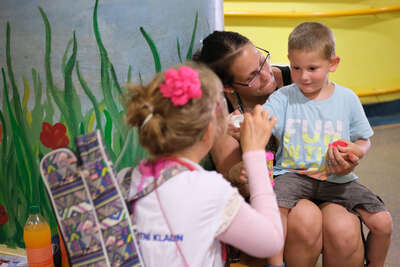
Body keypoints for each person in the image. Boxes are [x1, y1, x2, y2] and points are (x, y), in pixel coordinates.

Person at [194, 30, 367, 267]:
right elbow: (242, 183)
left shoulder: (294, 76)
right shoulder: (223, 113)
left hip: (322, 179)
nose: (267, 74)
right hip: (269, 195)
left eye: (262, 60)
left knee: (344, 228)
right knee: (307, 218)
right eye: (253, 75)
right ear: (228, 88)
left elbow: (340, 130)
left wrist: (346, 158)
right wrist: (242, 166)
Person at [119, 61, 284, 267]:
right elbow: (271, 241)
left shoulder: (124, 179)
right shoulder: (209, 190)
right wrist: (255, 154)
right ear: (208, 132)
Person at [263, 22, 393, 267]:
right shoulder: (283, 97)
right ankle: (275, 263)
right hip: (293, 175)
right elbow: (263, 117)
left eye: (313, 68)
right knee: (275, 204)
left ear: (333, 64)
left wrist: (357, 151)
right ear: (289, 61)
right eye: (296, 67)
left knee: (383, 223)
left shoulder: (347, 98)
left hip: (338, 180)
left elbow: (364, 140)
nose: (303, 76)